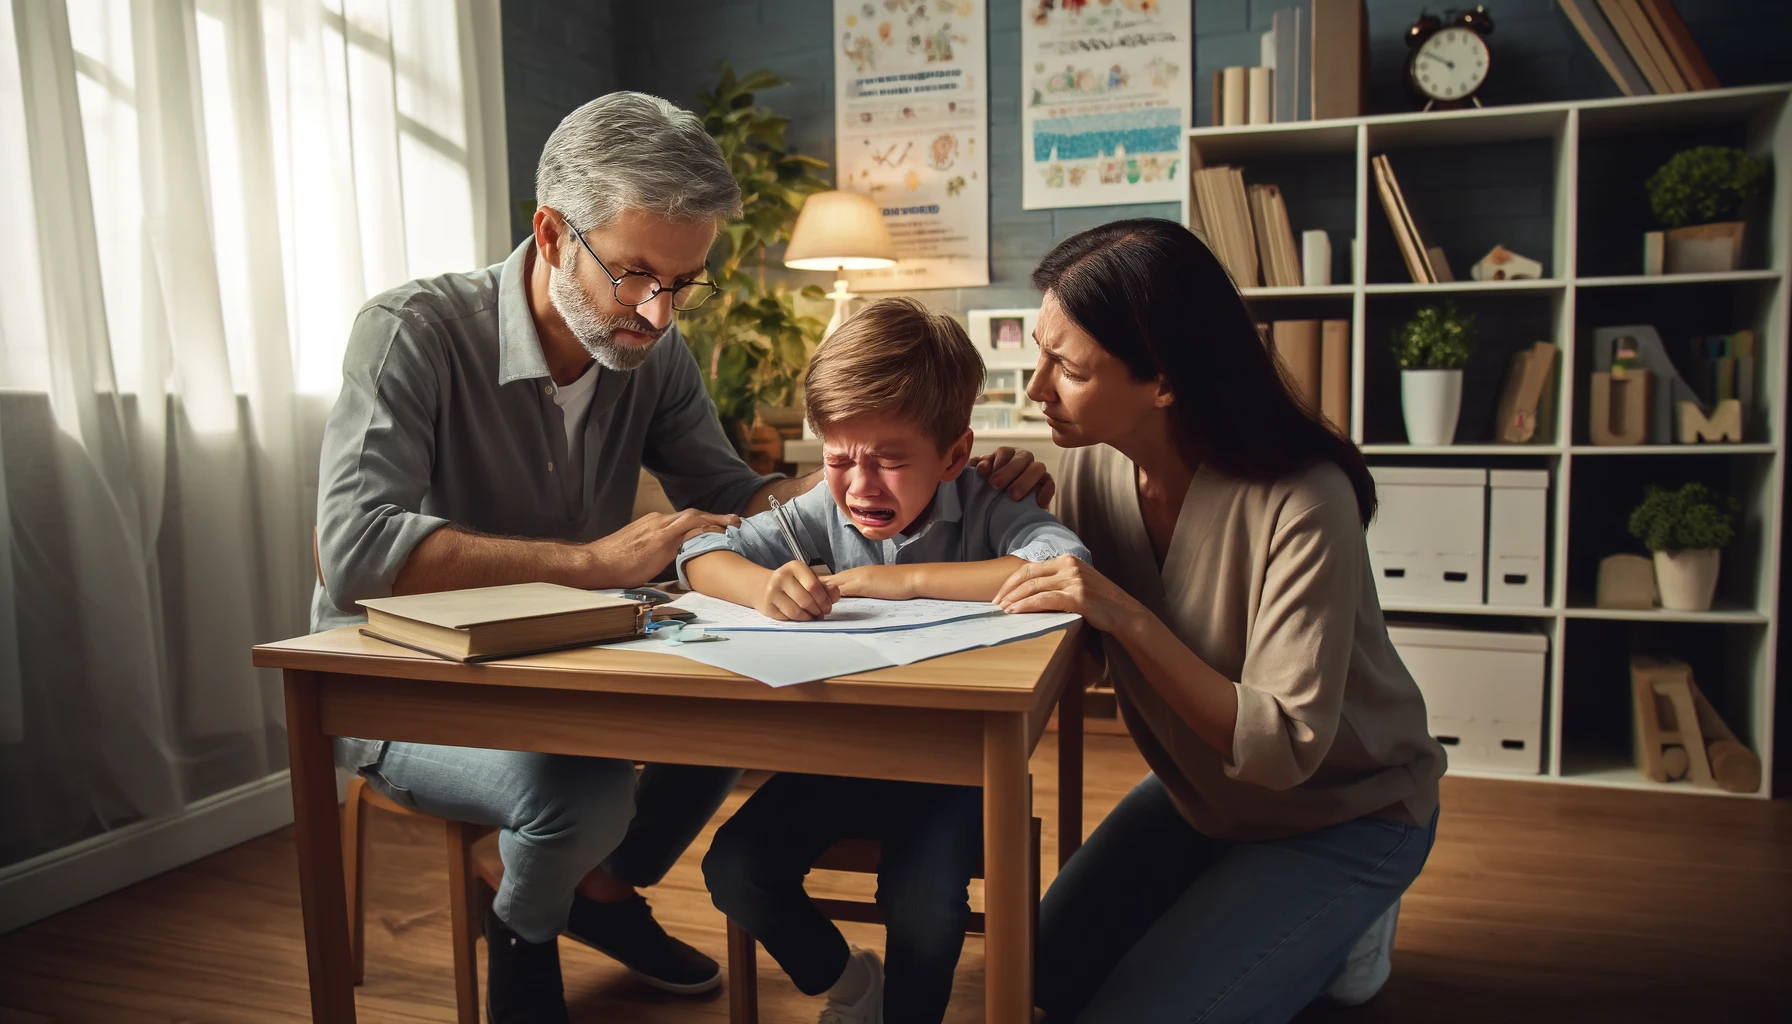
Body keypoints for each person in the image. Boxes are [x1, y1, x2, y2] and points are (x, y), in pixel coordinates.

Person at [311, 93, 1053, 1024]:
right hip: (406, 678)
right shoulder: (412, 331)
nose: (659, 314)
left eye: (684, 283)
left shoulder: (652, 353)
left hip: (564, 654)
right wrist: (591, 563)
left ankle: (599, 889)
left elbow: (739, 493)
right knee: (577, 794)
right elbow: (354, 552)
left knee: (730, 719)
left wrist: (905, 483)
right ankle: (527, 922)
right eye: (634, 276)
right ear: (550, 233)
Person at [990, 219, 1446, 1022]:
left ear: (1162, 379)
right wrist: (995, 514)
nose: (1035, 388)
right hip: (1200, 796)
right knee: (1034, 980)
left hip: (1345, 808)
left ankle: (1351, 924)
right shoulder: (1091, 467)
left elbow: (1280, 751)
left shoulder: (1306, 499)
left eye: (1066, 367)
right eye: (1039, 352)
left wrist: (1124, 615)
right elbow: (1088, 655)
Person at [685, 298, 1089, 1024]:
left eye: (892, 461)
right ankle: (851, 987)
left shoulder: (990, 499)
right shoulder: (821, 507)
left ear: (954, 455)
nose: (861, 487)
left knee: (926, 904)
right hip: (840, 754)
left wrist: (896, 578)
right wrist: (763, 584)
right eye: (840, 459)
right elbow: (698, 555)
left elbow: (1063, 569)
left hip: (957, 767)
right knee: (734, 868)